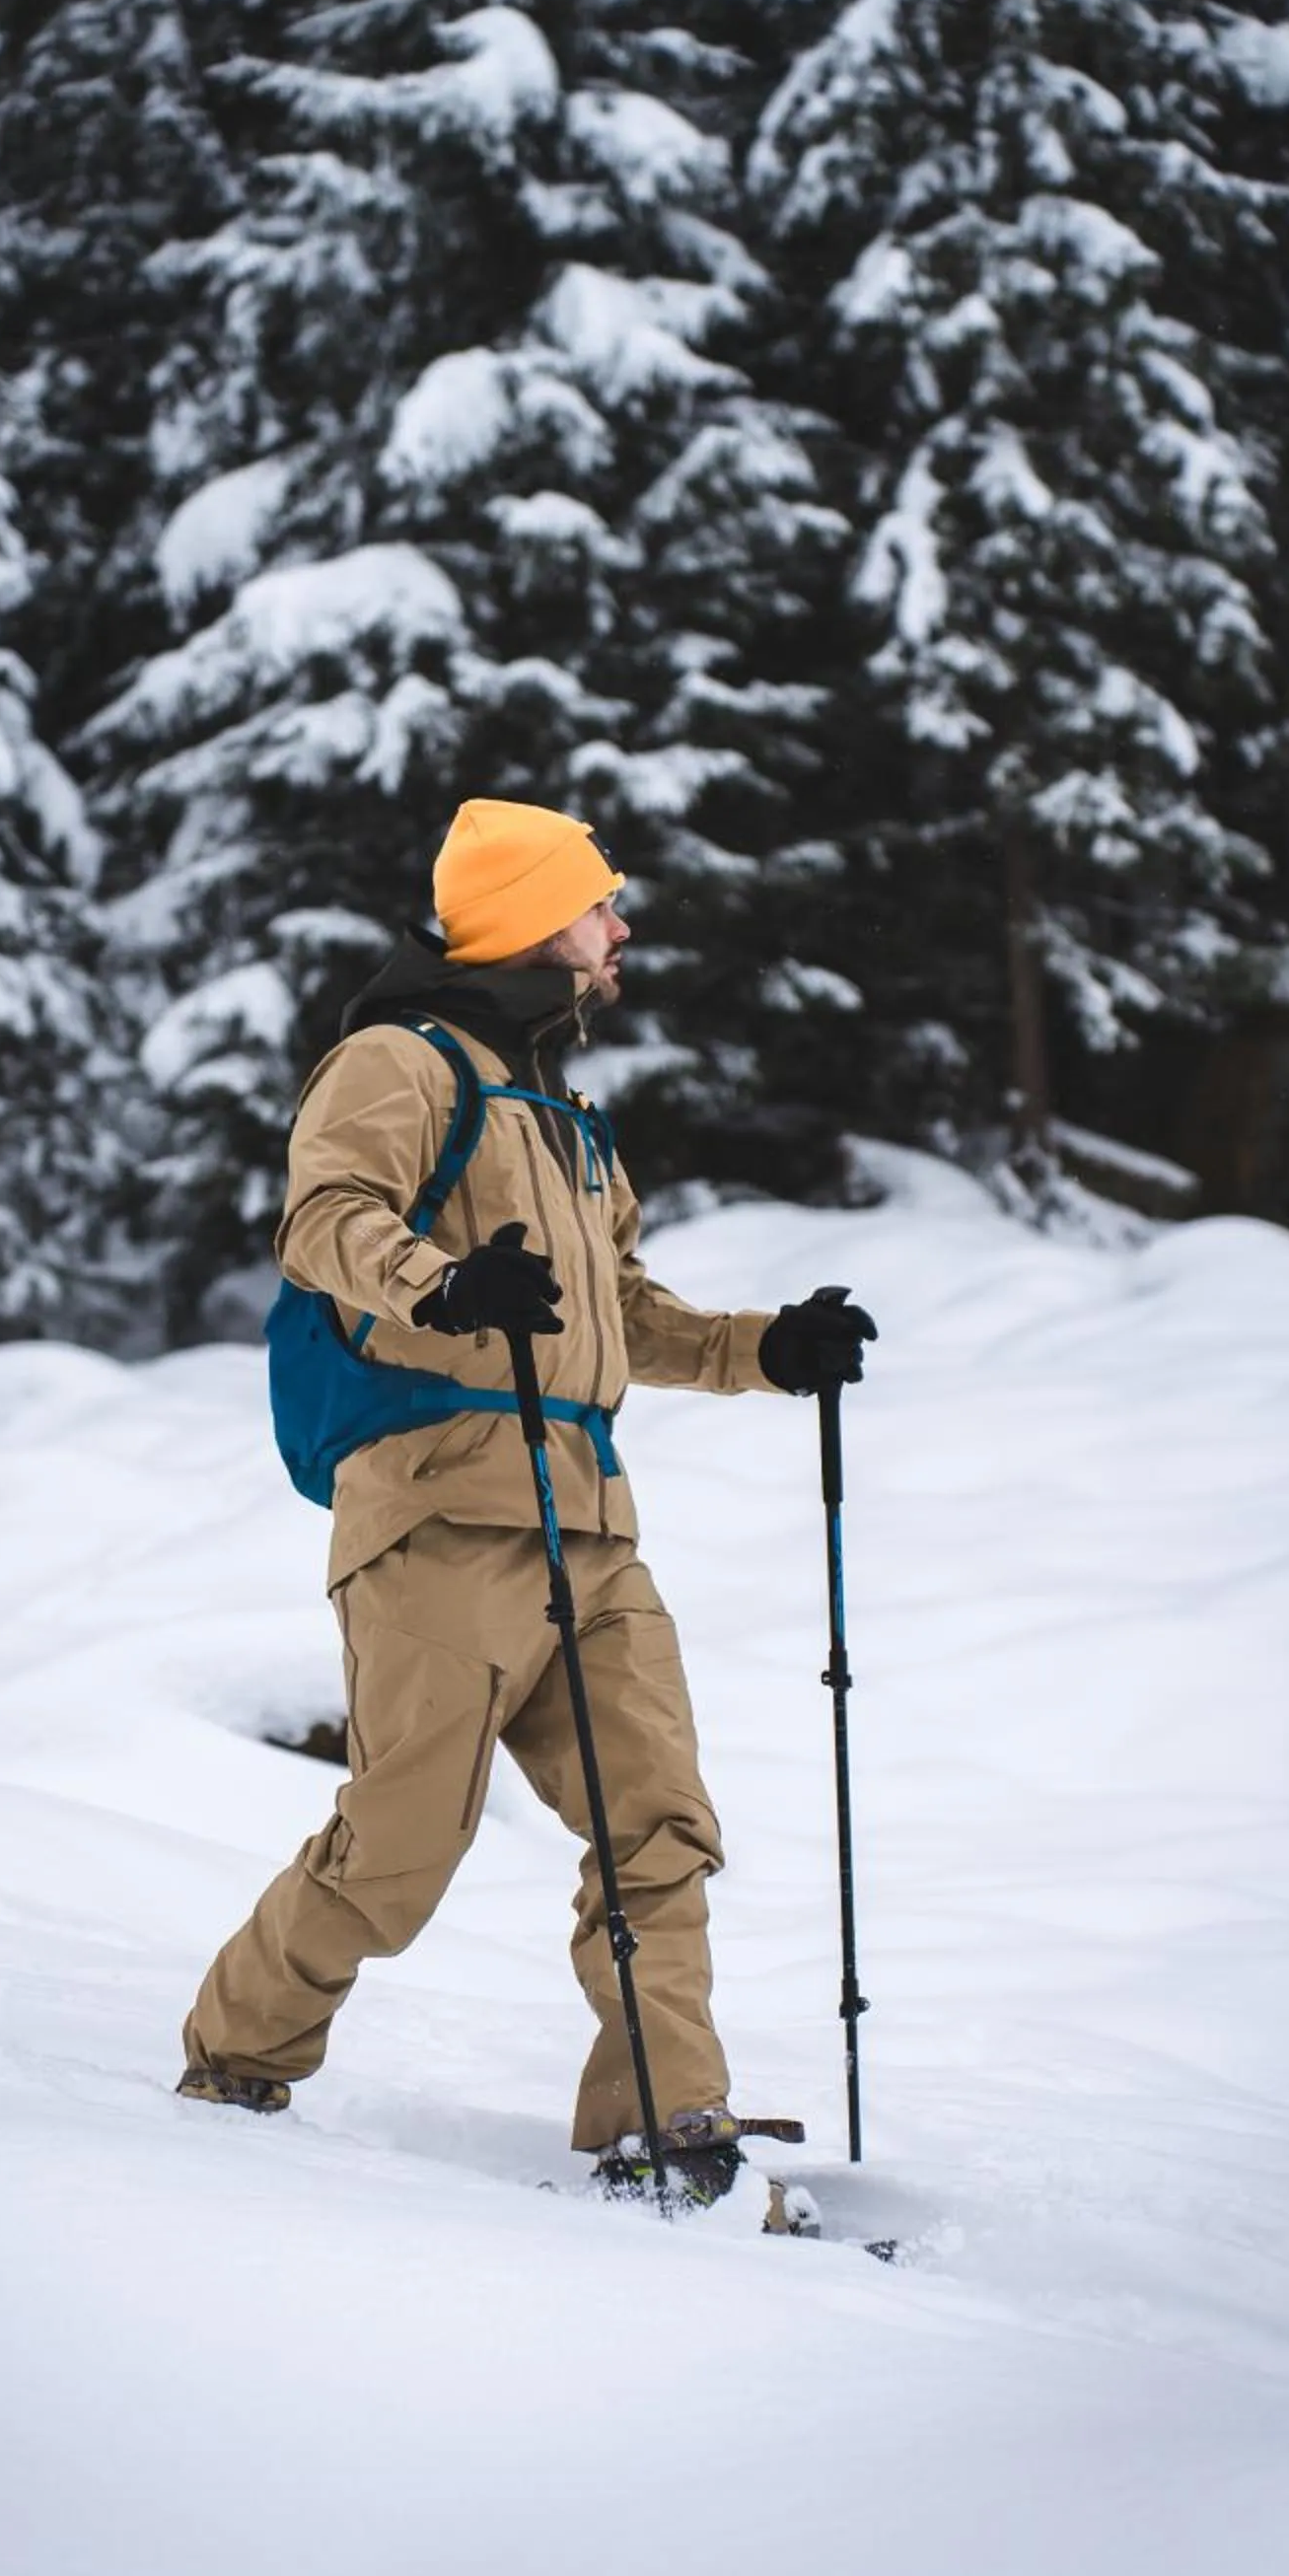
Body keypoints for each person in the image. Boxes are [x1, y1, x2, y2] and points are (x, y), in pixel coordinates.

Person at [179, 798, 875, 2205]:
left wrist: (765, 1350)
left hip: (591, 1523)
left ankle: (667, 2120)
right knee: (402, 1847)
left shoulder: (565, 1119)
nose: (620, 933)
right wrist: (440, 1281)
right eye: (601, 908)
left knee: (659, 1827)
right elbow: (324, 1223)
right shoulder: (395, 1064)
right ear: (535, 923)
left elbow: (616, 1313)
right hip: (437, 1517)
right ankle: (233, 2063)